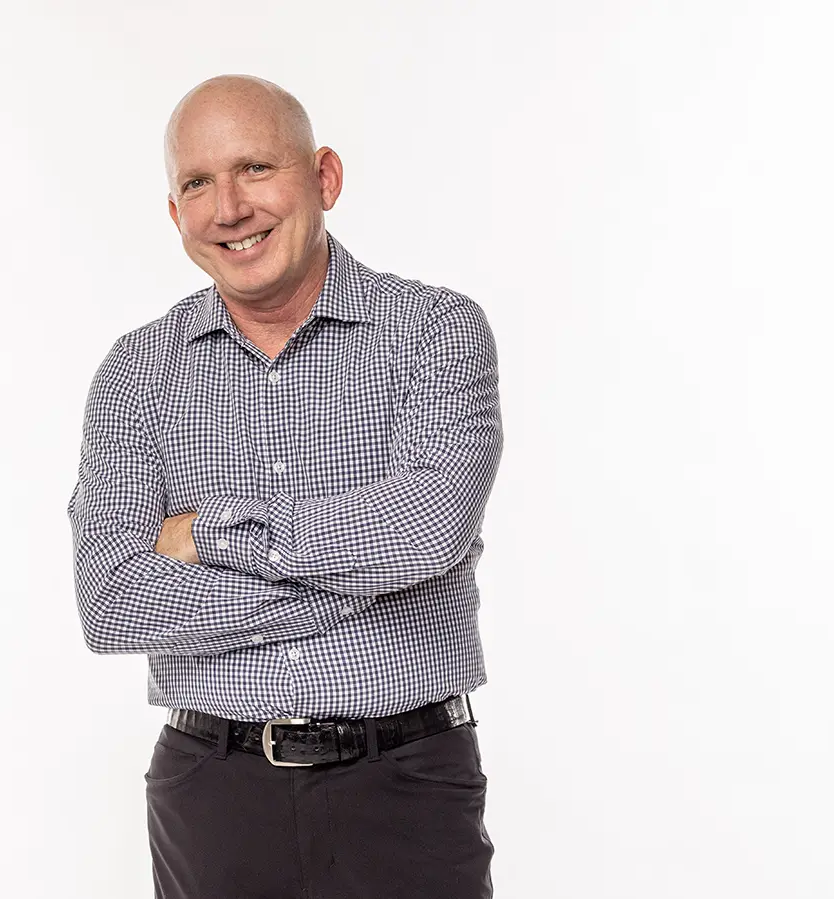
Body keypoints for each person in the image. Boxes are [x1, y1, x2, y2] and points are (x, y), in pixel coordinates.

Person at [66, 73, 505, 898]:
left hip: (405, 783)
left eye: (255, 168)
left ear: (324, 177)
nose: (228, 207)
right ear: (174, 213)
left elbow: (424, 533)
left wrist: (207, 534)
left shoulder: (436, 332)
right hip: (212, 793)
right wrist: (367, 579)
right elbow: (112, 601)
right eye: (196, 183)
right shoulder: (134, 374)